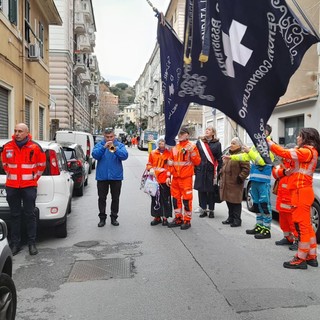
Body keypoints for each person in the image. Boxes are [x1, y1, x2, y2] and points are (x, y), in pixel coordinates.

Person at [268, 128, 320, 269]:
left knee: (302, 226)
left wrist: (267, 141)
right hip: (303, 191)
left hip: (301, 192)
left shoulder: (306, 152)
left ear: (306, 138)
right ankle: (311, 256)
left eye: (299, 135)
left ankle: (300, 258)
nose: (297, 138)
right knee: (307, 226)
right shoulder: (309, 152)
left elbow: (283, 152)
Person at [1, 123, 46, 256]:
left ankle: (32, 243)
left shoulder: (35, 147)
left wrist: (32, 179)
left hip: (29, 187)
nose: (17, 133)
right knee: (14, 215)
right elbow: (5, 164)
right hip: (12, 186)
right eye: (15, 131)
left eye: (20, 131)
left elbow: (41, 166)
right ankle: (16, 243)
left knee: (30, 215)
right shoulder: (8, 147)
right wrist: (12, 176)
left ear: (27, 133)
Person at [224, 124, 274, 239]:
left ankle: (266, 229)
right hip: (255, 180)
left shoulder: (269, 146)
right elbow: (246, 157)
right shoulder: (257, 146)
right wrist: (231, 157)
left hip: (263, 181)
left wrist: (249, 151)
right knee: (256, 204)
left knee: (264, 205)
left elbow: (261, 161)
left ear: (266, 132)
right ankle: (259, 225)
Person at [92, 128, 128, 227]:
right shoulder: (99, 145)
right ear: (104, 136)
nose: (109, 139)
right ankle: (102, 218)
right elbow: (95, 155)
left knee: (115, 198)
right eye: (107, 137)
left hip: (116, 176)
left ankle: (114, 217)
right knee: (102, 198)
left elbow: (124, 156)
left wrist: (114, 149)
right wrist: (104, 148)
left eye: (111, 137)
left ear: (114, 136)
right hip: (102, 176)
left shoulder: (119, 145)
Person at [166, 127, 201, 230]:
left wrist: (192, 152)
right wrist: (168, 176)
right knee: (175, 199)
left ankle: (187, 220)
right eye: (179, 134)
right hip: (175, 178)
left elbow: (198, 162)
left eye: (182, 133)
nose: (180, 135)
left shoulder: (192, 146)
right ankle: (178, 218)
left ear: (187, 135)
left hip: (186, 178)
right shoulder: (174, 147)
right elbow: (169, 163)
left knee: (186, 200)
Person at [272, 143, 298, 250]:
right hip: (282, 197)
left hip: (291, 198)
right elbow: (275, 173)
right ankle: (287, 237)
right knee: (283, 221)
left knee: (293, 221)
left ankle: (297, 240)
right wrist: (283, 172)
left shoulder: (296, 164)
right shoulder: (282, 163)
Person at [220, 137, 250, 227]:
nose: (231, 145)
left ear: (238, 145)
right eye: (231, 143)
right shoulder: (228, 153)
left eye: (233, 143)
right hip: (226, 182)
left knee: (235, 201)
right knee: (228, 200)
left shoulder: (242, 155)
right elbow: (224, 166)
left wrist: (240, 177)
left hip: (235, 182)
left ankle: (237, 220)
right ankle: (230, 218)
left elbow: (246, 169)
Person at [194, 126, 222, 218]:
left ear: (213, 133)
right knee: (201, 190)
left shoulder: (217, 144)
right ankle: (203, 209)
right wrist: (195, 169)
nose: (207, 131)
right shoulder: (199, 142)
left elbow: (219, 158)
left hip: (211, 170)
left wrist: (219, 171)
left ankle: (211, 210)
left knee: (211, 191)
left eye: (209, 130)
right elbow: (195, 156)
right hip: (201, 169)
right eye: (206, 129)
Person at [146, 138, 172, 226]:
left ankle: (165, 217)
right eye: (160, 143)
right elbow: (149, 163)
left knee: (165, 199)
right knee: (155, 199)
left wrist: (168, 176)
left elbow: (170, 167)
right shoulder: (153, 153)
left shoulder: (169, 154)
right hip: (154, 179)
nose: (161, 145)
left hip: (165, 180)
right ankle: (157, 217)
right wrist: (150, 169)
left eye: (163, 143)